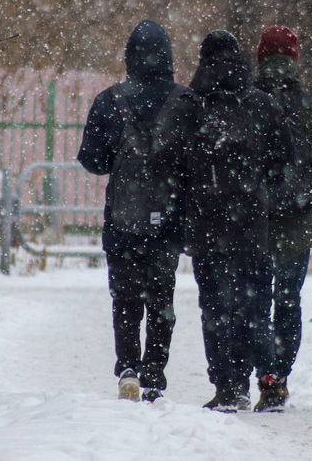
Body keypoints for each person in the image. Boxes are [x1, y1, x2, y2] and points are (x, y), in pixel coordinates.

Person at [77, 20, 192, 403]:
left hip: (123, 219)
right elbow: (197, 161)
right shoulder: (185, 101)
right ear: (168, 56)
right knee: (162, 301)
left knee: (125, 299)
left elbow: (92, 161)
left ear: (129, 56)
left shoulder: (110, 101)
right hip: (168, 221)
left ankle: (128, 367)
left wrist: (118, 156)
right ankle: (155, 375)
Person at [182, 30, 296, 412]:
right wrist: (262, 189)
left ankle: (228, 386)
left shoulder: (191, 104)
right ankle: (268, 380)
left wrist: (194, 196)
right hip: (252, 220)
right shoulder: (263, 104)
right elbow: (284, 159)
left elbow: (175, 163)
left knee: (215, 305)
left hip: (207, 220)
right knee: (254, 304)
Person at [251, 25, 312, 411]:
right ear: (295, 59)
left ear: (259, 58)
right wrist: (303, 203)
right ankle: (280, 378)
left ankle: (265, 373)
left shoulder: (246, 103)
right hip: (295, 228)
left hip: (252, 224)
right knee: (288, 301)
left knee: (255, 303)